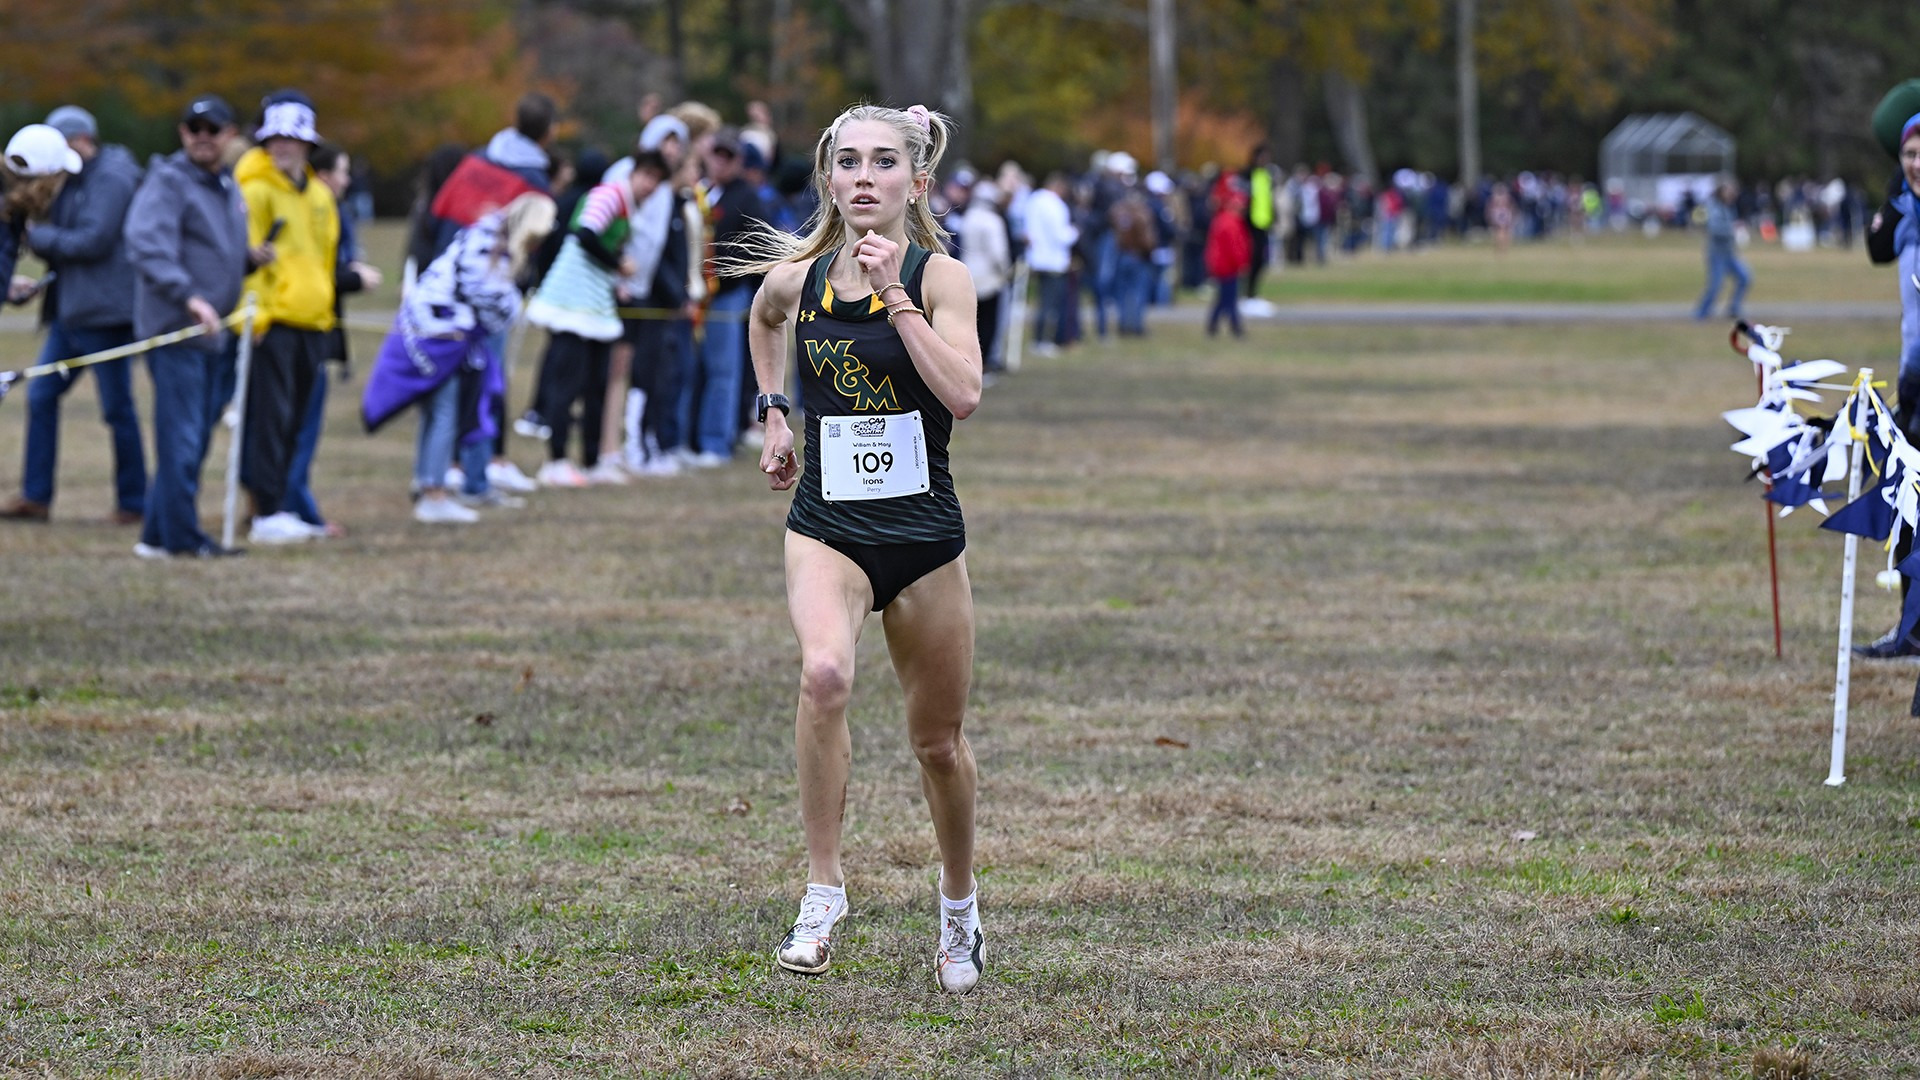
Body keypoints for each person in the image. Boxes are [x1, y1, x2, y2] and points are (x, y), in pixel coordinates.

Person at [736, 102, 986, 995]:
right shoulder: (798, 278)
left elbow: (963, 395)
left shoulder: (943, 277)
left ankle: (959, 914)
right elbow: (762, 320)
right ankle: (822, 889)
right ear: (830, 180)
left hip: (923, 537)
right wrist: (774, 415)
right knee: (826, 675)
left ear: (915, 182)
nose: (866, 177)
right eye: (850, 162)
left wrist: (897, 300)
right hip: (828, 526)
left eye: (886, 162)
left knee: (938, 744)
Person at [362, 193, 555, 524]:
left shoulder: (485, 234)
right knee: (445, 411)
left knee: (436, 410)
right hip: (439, 334)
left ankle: (427, 483)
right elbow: (493, 304)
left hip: (432, 328)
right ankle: (434, 493)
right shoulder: (490, 248)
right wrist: (510, 304)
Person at [123, 95, 253, 559]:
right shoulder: (169, 183)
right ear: (182, 134)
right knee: (181, 439)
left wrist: (248, 260)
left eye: (212, 129)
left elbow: (215, 246)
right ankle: (182, 540)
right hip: (176, 332)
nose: (202, 137)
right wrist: (189, 296)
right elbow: (145, 243)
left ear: (229, 135)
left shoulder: (225, 185)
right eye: (193, 128)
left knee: (193, 439)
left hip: (214, 336)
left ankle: (158, 536)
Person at [0, 109, 144, 526]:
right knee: (42, 396)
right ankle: (36, 497)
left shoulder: (112, 178)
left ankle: (134, 502)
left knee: (118, 409)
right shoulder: (72, 181)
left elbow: (93, 240)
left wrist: (29, 236)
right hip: (71, 311)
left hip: (105, 314)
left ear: (81, 140)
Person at [523, 151, 668, 487]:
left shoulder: (629, 206)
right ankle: (556, 460)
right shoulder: (609, 195)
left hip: (596, 302)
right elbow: (585, 235)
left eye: (657, 180)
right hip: (571, 299)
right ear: (633, 173)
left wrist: (616, 280)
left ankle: (591, 461)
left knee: (596, 383)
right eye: (646, 175)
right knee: (567, 384)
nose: (650, 185)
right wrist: (618, 264)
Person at [233, 95, 339, 545]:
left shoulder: (318, 195)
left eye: (292, 140)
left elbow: (325, 256)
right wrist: (252, 319)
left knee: (296, 418)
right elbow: (245, 262)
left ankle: (280, 505)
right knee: (269, 420)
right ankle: (265, 510)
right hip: (272, 322)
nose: (283, 148)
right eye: (276, 139)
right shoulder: (253, 190)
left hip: (312, 321)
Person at [283, 141, 383, 537]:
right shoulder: (318, 207)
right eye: (342, 171)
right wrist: (355, 277)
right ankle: (297, 507)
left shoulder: (319, 205)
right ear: (323, 175)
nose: (347, 180)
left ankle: (287, 504)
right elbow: (313, 271)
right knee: (300, 427)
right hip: (307, 328)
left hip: (315, 327)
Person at [958, 178, 1011, 373]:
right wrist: (1005, 271)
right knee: (989, 322)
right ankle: (986, 362)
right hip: (989, 277)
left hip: (968, 273)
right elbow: (998, 253)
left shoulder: (968, 217)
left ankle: (970, 361)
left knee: (973, 323)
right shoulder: (992, 221)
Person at [1024, 170, 1076, 357]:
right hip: (1053, 260)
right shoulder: (1056, 205)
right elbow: (1060, 236)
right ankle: (1043, 341)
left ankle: (1038, 339)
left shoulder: (1034, 201)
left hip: (1037, 258)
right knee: (1050, 304)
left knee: (1042, 301)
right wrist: (1075, 232)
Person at [1694, 178, 1750, 320]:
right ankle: (1701, 314)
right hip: (1717, 254)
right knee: (1716, 286)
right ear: (1721, 192)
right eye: (1729, 191)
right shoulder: (1714, 207)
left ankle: (1733, 308)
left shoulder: (1729, 207)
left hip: (1730, 253)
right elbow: (1713, 229)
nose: (1732, 194)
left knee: (1745, 278)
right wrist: (1733, 229)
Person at [1205, 178, 1252, 338]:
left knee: (1224, 298)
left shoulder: (1223, 220)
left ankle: (1216, 325)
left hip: (1222, 265)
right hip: (1227, 266)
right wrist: (1242, 263)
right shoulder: (1231, 223)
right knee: (1229, 298)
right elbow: (1235, 247)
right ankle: (1235, 327)